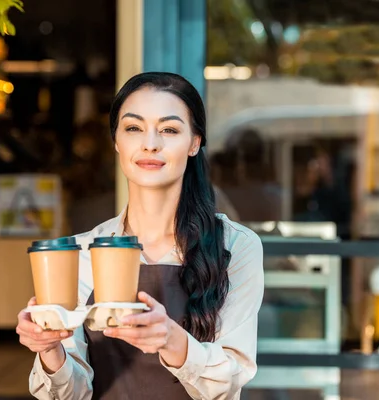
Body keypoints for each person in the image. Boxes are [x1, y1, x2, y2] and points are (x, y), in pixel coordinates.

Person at [16, 72, 264, 399]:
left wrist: (170, 339)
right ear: (117, 141)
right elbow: (71, 394)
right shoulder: (82, 253)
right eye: (133, 128)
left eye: (169, 130)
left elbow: (230, 382)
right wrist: (49, 351)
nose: (150, 143)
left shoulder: (236, 246)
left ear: (194, 143)